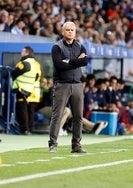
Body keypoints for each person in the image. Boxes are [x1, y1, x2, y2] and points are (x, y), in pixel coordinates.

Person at [48, 21, 88, 153]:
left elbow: (85, 61)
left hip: (77, 84)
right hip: (62, 84)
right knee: (57, 115)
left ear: (75, 32)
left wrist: (69, 61)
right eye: (68, 30)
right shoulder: (57, 47)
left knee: (78, 116)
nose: (70, 32)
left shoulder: (80, 46)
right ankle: (52, 144)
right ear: (62, 32)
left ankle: (76, 145)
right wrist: (77, 62)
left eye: (72, 30)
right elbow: (60, 65)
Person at [11, 46, 42, 135]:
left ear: (27, 53)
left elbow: (14, 73)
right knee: (30, 111)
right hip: (33, 90)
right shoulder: (36, 64)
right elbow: (37, 77)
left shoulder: (24, 63)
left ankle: (24, 129)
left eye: (23, 51)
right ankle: (30, 129)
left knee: (22, 110)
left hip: (22, 89)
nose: (21, 53)